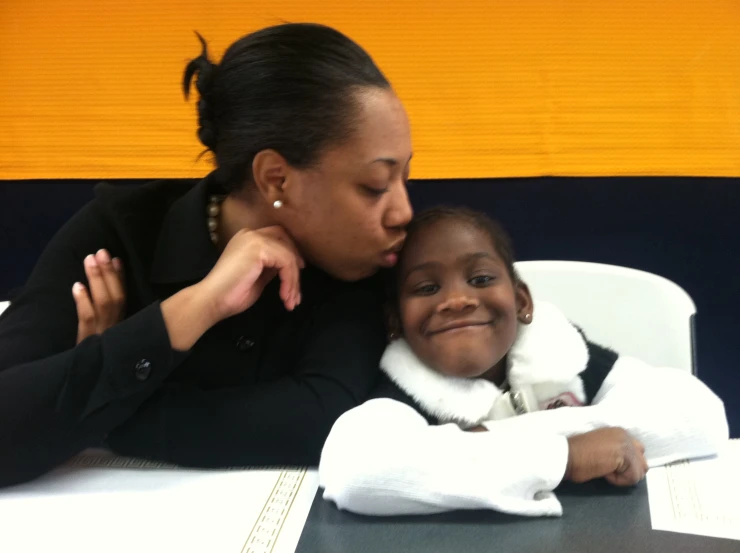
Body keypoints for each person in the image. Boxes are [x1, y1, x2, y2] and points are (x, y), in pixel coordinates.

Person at [0, 23, 413, 487]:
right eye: (375, 186)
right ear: (276, 179)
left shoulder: (363, 260)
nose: (404, 211)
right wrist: (196, 307)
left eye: (405, 176)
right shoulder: (116, 236)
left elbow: (324, 420)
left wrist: (105, 390)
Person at [319, 207, 728, 516]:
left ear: (521, 301)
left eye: (480, 279)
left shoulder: (560, 352)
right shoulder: (406, 390)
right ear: (395, 322)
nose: (457, 300)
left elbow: (699, 414)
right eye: (426, 287)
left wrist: (491, 438)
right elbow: (356, 469)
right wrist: (565, 457)